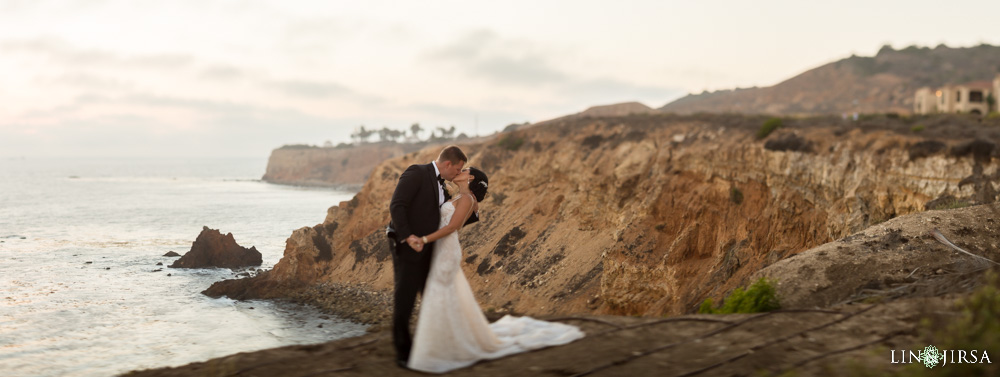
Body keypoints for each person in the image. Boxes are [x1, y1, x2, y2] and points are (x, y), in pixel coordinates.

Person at [405, 166, 584, 373]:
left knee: (439, 292)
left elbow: (452, 227)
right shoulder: (458, 196)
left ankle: (441, 345)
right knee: (443, 294)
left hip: (446, 251)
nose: (459, 170)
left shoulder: (468, 200)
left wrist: (424, 239)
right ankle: (445, 339)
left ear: (470, 177)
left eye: (463, 169)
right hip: (439, 249)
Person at [387, 146, 477, 368]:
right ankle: (403, 352)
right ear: (447, 164)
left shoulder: (443, 186)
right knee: (405, 298)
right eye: (456, 169)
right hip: (408, 245)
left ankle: (429, 345)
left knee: (430, 295)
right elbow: (397, 205)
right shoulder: (416, 172)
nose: (457, 173)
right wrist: (408, 237)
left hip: (430, 247)